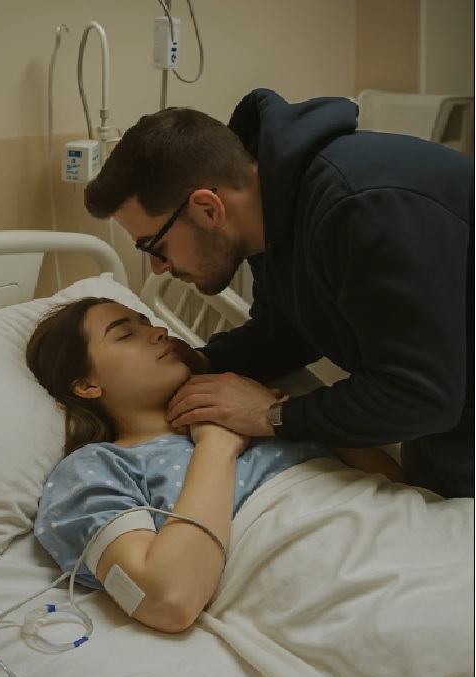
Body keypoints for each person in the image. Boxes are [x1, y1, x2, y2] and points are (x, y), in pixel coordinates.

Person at [83, 88, 474, 499]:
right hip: (447, 424)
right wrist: (205, 361)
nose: (158, 268)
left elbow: (420, 395)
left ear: (208, 209)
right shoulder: (269, 215)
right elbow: (288, 331)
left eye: (155, 247)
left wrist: (273, 415)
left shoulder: (363, 207)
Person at [26, 296, 404, 633]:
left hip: (411, 531)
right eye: (125, 335)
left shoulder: (256, 411)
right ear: (86, 385)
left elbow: (395, 485)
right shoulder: (94, 469)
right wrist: (217, 445)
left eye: (148, 322)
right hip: (344, 590)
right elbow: (166, 600)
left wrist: (281, 413)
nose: (159, 331)